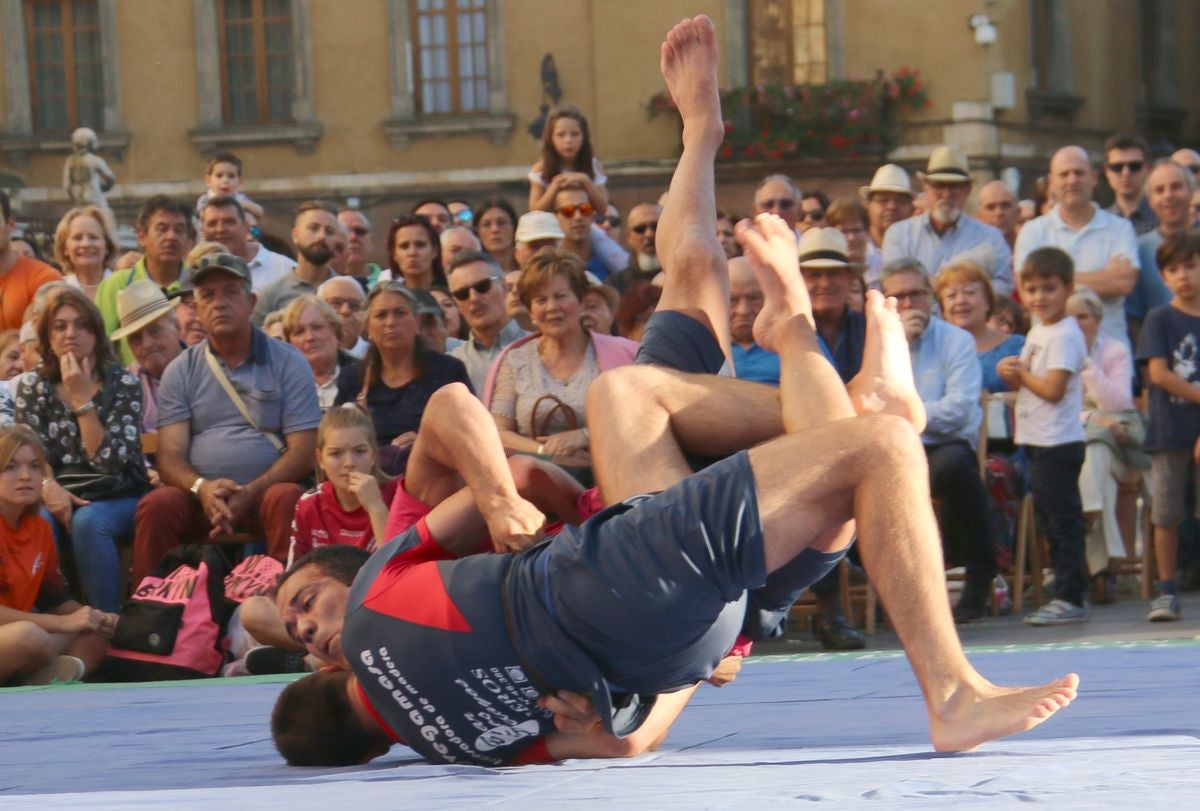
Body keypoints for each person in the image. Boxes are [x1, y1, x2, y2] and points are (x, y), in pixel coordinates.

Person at [270, 16, 1078, 768]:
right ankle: (947, 679)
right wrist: (519, 496)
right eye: (305, 633)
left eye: (303, 604)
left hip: (668, 611)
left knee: (684, 306)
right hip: (625, 556)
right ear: (325, 673)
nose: (308, 626)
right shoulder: (383, 602)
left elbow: (615, 725)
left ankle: (703, 143)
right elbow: (533, 482)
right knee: (833, 437)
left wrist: (630, 729)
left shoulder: (468, 739)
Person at [131, 252, 321, 582]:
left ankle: (286, 605)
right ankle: (151, 613)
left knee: (288, 498)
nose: (219, 303)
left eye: (230, 292)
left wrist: (251, 492)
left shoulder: (289, 361)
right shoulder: (181, 370)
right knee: (158, 505)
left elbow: (304, 451)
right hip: (201, 500)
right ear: (196, 309)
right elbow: (170, 456)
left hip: (266, 496)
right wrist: (202, 489)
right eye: (207, 295)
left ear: (251, 302)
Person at [14, 287, 148, 613]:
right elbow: (28, 453)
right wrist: (48, 486)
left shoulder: (123, 383)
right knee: (40, 519)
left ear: (96, 333)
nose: (70, 334)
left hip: (118, 495)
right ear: (47, 335)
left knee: (88, 520)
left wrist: (81, 401)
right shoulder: (34, 385)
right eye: (60, 326)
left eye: (81, 325)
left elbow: (109, 463)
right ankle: (55, 624)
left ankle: (105, 628)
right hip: (57, 490)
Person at [997, 247, 1089, 626]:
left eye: (1049, 288)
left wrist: (1021, 377)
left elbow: (1052, 389)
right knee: (1051, 521)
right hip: (1039, 440)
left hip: (1059, 442)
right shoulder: (1039, 329)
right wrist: (1011, 372)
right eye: (1031, 289)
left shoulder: (1065, 335)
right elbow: (1034, 380)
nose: (1040, 297)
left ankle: (1071, 596)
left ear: (1068, 288)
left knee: (1064, 521)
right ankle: (1064, 585)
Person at [485, 248, 637, 473]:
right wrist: (545, 453)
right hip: (536, 479)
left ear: (582, 300)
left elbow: (640, 418)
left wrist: (584, 435)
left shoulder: (622, 353)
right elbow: (498, 433)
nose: (551, 307)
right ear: (530, 311)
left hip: (613, 471)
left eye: (560, 296)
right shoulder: (514, 360)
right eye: (540, 300)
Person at [0, 425, 117, 685]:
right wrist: (63, 624)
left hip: (23, 638)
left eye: (34, 466)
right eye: (11, 467)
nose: (25, 476)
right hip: (16, 637)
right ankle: (37, 677)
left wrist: (93, 616)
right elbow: (54, 620)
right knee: (29, 637)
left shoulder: (40, 528)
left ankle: (46, 682)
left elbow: (54, 597)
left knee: (96, 633)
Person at [334, 282, 470, 474]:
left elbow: (469, 435)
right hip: (370, 478)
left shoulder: (448, 371)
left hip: (433, 474)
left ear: (417, 322)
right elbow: (336, 438)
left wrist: (426, 444)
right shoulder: (352, 379)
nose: (390, 322)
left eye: (400, 313)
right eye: (381, 315)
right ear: (368, 328)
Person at [1135, 229, 1200, 623]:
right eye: (1173, 269)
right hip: (1169, 429)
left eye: (1190, 266)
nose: (1183, 276)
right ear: (1163, 276)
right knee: (1166, 512)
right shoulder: (1160, 318)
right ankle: (1166, 589)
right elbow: (1158, 374)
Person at [1015, 146, 1140, 348]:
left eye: (1079, 173)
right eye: (1064, 174)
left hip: (1110, 359)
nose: (1072, 180)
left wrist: (1052, 283)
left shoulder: (1120, 228)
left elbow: (1123, 283)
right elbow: (1026, 292)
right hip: (1050, 358)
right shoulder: (1032, 232)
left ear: (1094, 177)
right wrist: (1103, 276)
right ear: (1051, 183)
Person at [1067, 287, 1145, 597]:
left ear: (1097, 320)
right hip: (1076, 446)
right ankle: (1105, 568)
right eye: (1069, 318)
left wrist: (1086, 363)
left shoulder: (1115, 350)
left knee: (1096, 451)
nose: (1075, 324)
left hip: (1120, 447)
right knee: (1096, 463)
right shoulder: (1054, 351)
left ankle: (1090, 516)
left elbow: (1118, 403)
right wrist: (1092, 420)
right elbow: (1056, 410)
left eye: (1082, 317)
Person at [882, 147, 1014, 296]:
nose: (946, 194)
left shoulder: (991, 238)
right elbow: (893, 285)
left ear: (967, 190)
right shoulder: (899, 234)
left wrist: (961, 294)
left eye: (954, 187)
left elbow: (1004, 286)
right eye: (939, 186)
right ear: (926, 188)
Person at [95, 196, 194, 364]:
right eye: (162, 229)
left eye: (179, 229)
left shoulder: (198, 285)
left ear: (190, 238)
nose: (171, 236)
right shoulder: (116, 285)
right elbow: (101, 348)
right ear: (141, 236)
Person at [1127, 159, 1196, 343]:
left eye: (1176, 187)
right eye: (1159, 190)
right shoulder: (1139, 249)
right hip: (1161, 357)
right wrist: (1146, 366)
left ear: (1191, 192)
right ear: (1150, 201)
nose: (1168, 195)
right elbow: (1134, 317)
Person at [935, 260, 1024, 394]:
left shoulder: (1018, 346)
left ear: (988, 301)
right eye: (951, 296)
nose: (960, 301)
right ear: (943, 310)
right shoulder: (933, 352)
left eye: (969, 292)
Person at [446, 250, 528, 393]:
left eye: (482, 286)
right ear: (457, 304)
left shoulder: (540, 347)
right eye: (462, 293)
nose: (474, 298)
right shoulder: (451, 364)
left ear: (505, 287)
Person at [109, 280, 184, 434]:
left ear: (177, 327)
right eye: (136, 338)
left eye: (154, 330)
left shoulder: (205, 368)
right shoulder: (125, 385)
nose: (147, 344)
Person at [253, 201, 341, 324]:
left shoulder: (347, 294)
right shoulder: (271, 296)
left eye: (329, 231)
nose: (322, 236)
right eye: (313, 228)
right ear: (295, 235)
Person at [200, 195, 294, 292]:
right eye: (212, 223)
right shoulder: (193, 270)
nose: (220, 229)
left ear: (245, 227)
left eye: (229, 222)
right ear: (203, 231)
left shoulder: (284, 269)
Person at [528, 105, 609, 215]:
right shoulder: (542, 168)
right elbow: (534, 211)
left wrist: (585, 180)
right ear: (551, 138)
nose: (568, 140)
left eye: (575, 134)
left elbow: (603, 208)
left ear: (584, 137)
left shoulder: (593, 165)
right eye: (561, 135)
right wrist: (555, 187)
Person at [282, 295, 350, 410]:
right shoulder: (279, 386)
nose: (309, 337)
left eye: (317, 327)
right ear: (289, 342)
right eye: (299, 332)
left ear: (336, 330)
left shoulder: (364, 375)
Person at [860, 163, 916, 287]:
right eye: (883, 200)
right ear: (868, 205)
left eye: (900, 201)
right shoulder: (857, 246)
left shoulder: (918, 245)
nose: (892, 206)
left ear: (911, 208)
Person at [728, 257, 778, 385]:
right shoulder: (700, 347)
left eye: (754, 298)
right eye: (732, 299)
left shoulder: (798, 344)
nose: (743, 311)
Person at [53, 206, 118, 301]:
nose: (86, 244)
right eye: (77, 238)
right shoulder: (55, 293)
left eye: (93, 237)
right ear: (65, 248)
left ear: (107, 246)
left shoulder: (124, 287)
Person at [1103, 132, 1157, 236]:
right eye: (1117, 167)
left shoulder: (1162, 219)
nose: (1126, 173)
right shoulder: (1099, 222)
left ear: (1148, 169)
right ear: (1106, 172)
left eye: (1134, 166)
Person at [605, 203, 662, 293]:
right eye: (640, 229)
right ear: (628, 237)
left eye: (656, 227)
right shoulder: (615, 285)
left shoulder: (683, 277)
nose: (649, 234)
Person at [195, 151, 265, 221]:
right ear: (208, 181)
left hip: (236, 231)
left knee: (249, 218)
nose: (225, 180)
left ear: (239, 182)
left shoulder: (240, 198)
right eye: (219, 176)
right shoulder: (206, 199)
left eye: (231, 176)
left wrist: (240, 204)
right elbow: (202, 214)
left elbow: (259, 212)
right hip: (212, 231)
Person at [383, 214, 444, 289]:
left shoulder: (453, 292)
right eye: (404, 246)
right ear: (394, 254)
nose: (412, 253)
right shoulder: (389, 298)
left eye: (420, 245)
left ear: (434, 251)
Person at [62, 127, 115, 210]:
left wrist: (73, 197)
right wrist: (103, 187)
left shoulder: (70, 161)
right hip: (95, 197)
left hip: (79, 198)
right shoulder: (95, 160)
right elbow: (110, 178)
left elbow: (66, 185)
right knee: (104, 219)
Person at [317, 276, 369, 359]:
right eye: (336, 303)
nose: (345, 311)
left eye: (354, 304)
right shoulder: (307, 355)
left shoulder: (378, 357)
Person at [337, 209, 383, 291]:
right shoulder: (320, 283)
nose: (353, 237)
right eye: (345, 231)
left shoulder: (390, 281)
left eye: (360, 231)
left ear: (372, 240)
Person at [474, 198, 519, 272]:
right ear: (477, 233)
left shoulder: (529, 269)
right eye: (486, 225)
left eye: (502, 223)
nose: (495, 230)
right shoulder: (473, 274)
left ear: (514, 227)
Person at [976, 180, 1020, 250]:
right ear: (979, 216)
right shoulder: (970, 250)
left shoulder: (1031, 245)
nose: (999, 213)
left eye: (1005, 206)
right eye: (991, 207)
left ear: (1018, 212)